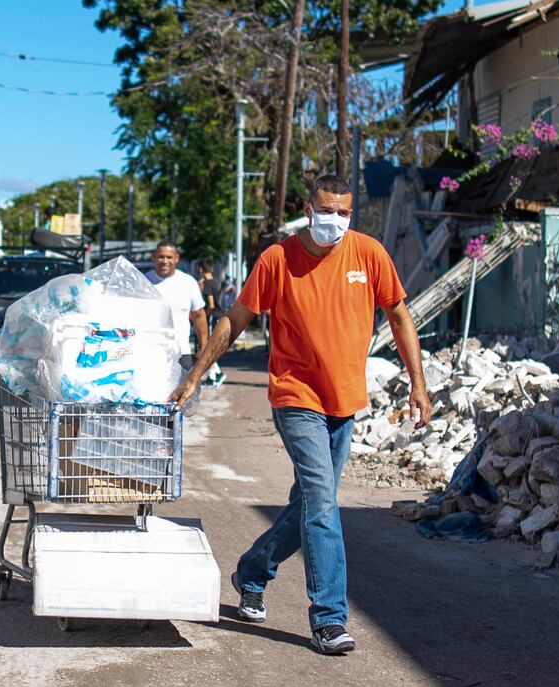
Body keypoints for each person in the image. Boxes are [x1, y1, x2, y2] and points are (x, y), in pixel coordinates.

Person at [171, 173, 431, 656]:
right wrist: (195, 375)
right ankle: (329, 618)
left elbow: (399, 315)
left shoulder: (369, 255)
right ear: (308, 210)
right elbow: (235, 318)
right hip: (295, 397)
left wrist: (418, 382)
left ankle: (252, 571)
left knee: (312, 502)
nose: (334, 220)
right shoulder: (278, 259)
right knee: (323, 502)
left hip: (344, 400)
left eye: (343, 212)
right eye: (326, 210)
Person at [145, 241, 208, 370]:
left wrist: (204, 347)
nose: (165, 261)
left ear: (176, 258)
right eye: (161, 257)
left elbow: (199, 316)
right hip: (149, 352)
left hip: (181, 353)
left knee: (182, 384)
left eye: (169, 257)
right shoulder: (143, 281)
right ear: (154, 257)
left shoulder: (188, 282)